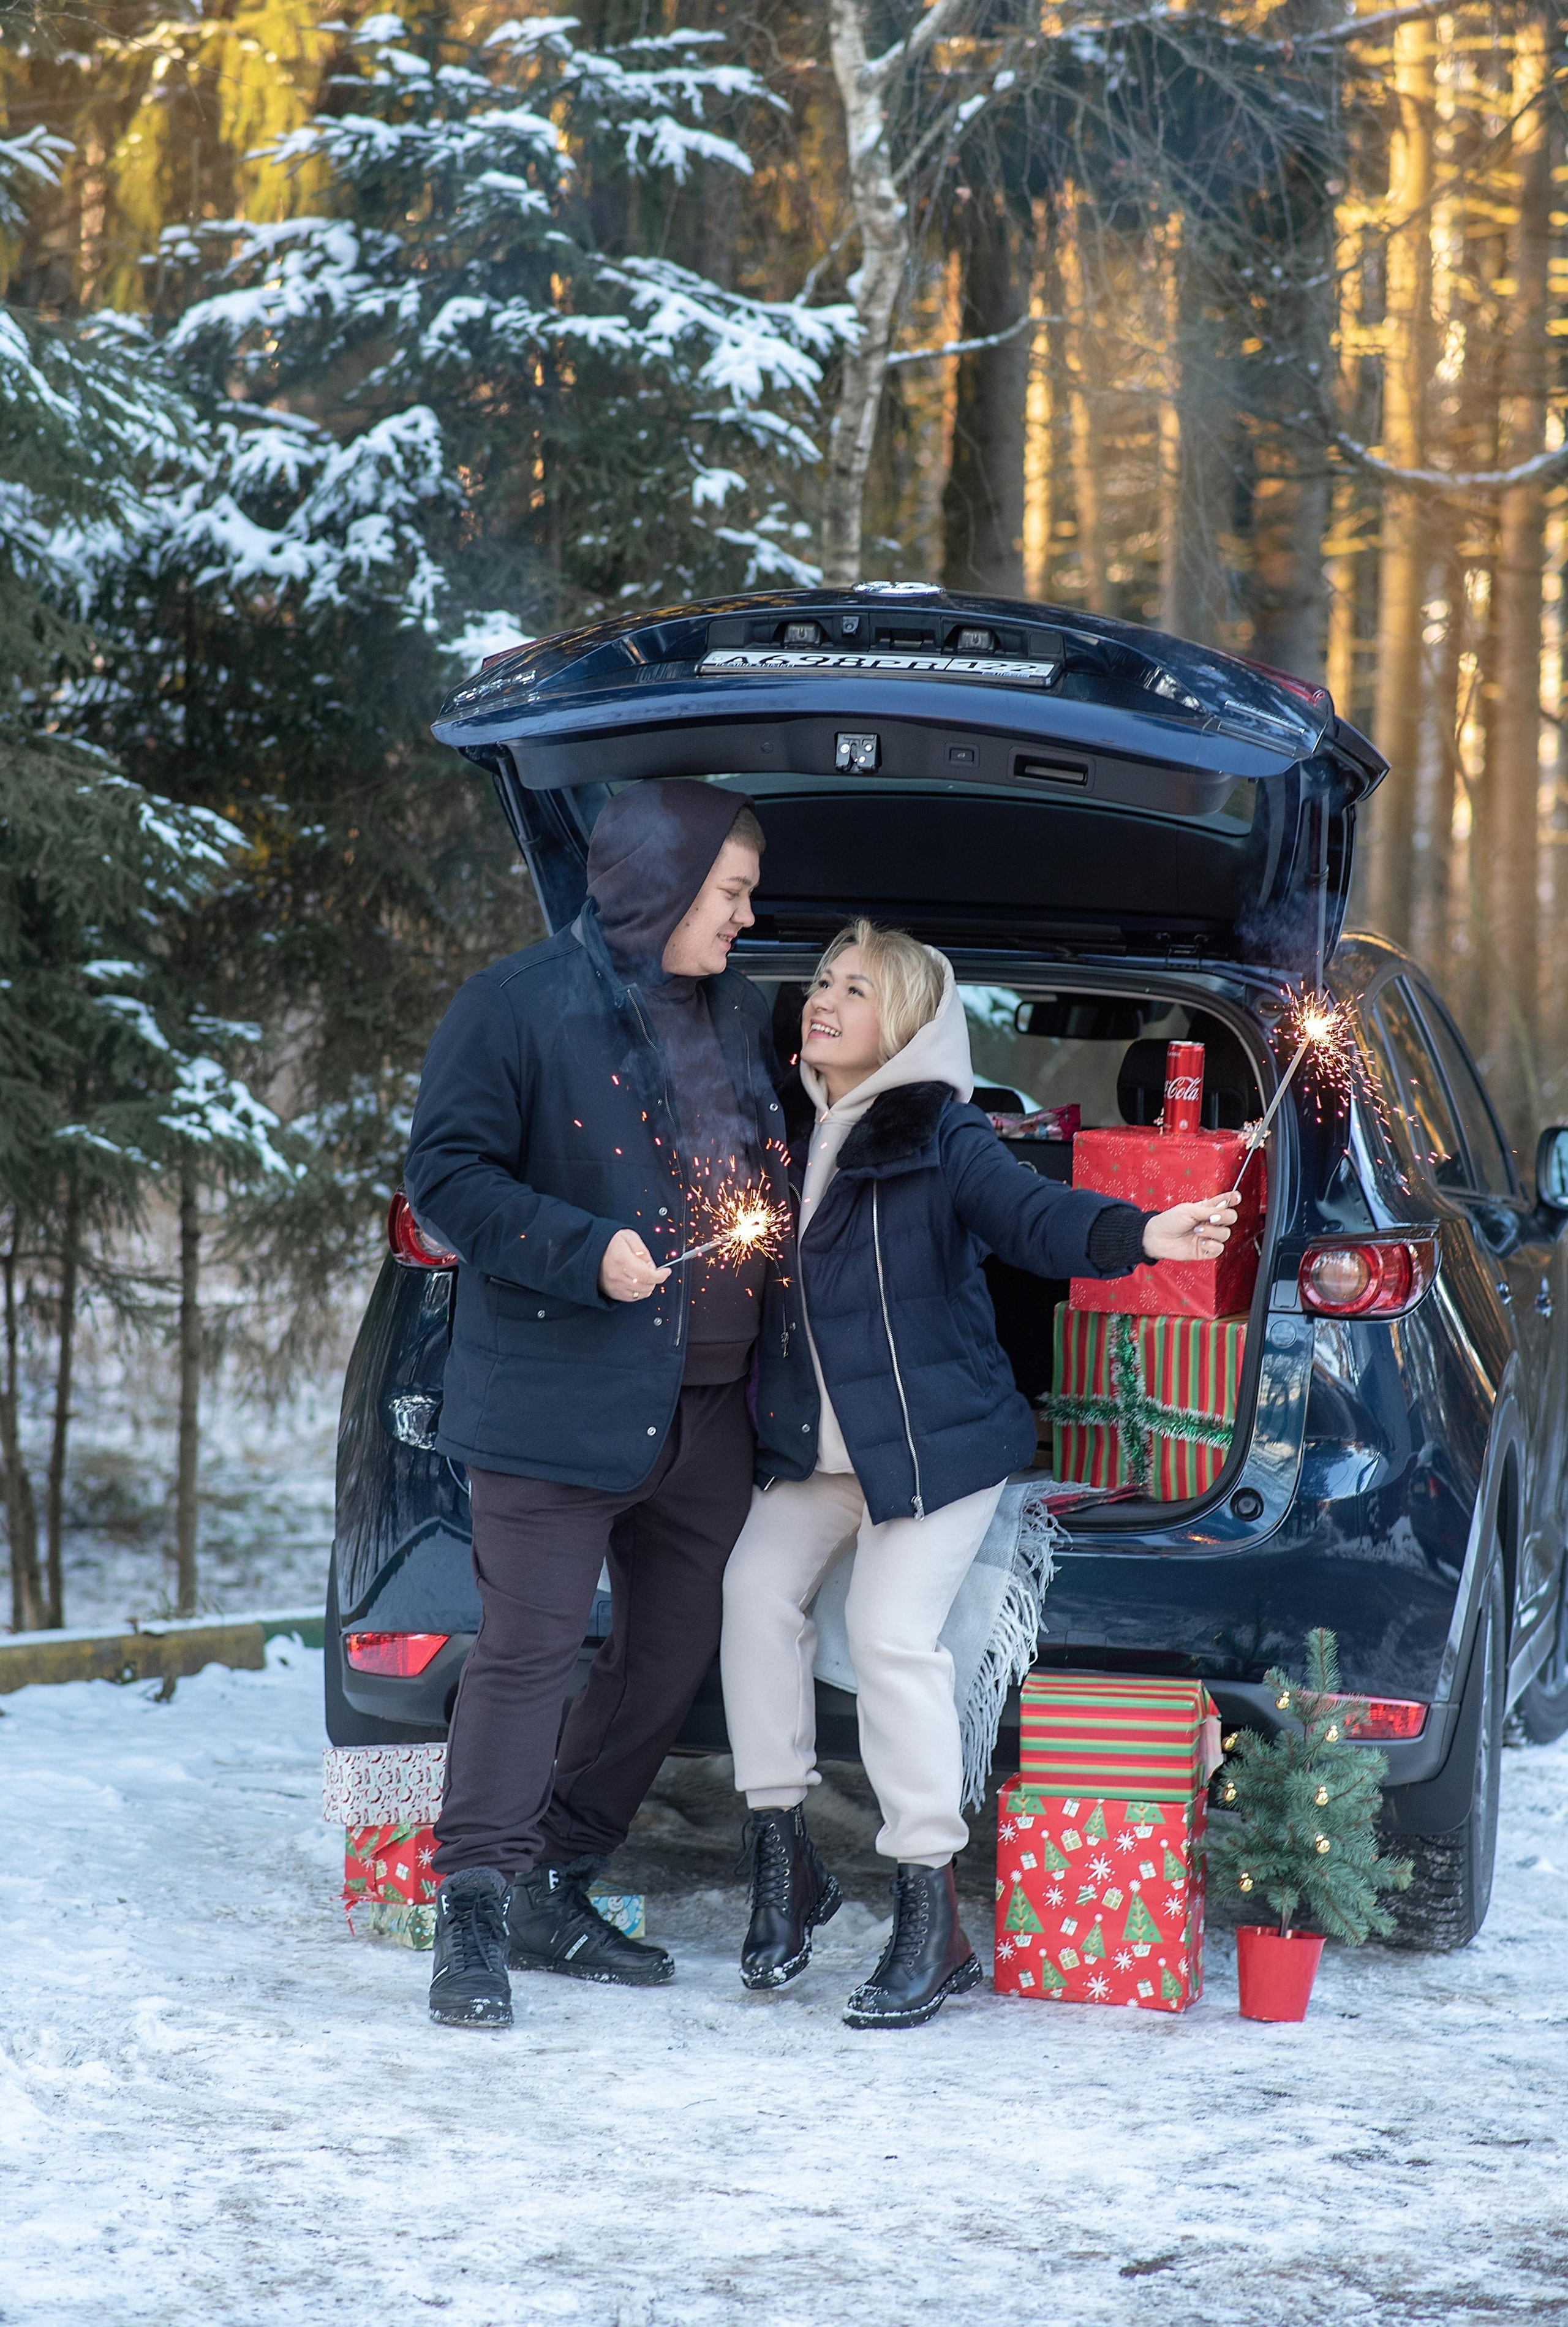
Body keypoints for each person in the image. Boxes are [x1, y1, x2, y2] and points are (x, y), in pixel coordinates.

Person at [723, 921, 1240, 2029]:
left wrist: (1146, 1233)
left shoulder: (942, 1132)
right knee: (752, 1594)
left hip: (937, 1447)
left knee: (891, 1632)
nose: (824, 1000)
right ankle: (784, 1859)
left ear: (909, 1024)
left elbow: (1033, 1216)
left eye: (858, 989)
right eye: (822, 980)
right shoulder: (783, 1131)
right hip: (817, 1454)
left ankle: (931, 1913)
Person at [402, 779, 790, 2028]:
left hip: (710, 1409)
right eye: (731, 893)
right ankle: (473, 1911)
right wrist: (584, 1250)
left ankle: (556, 1878)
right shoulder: (513, 1004)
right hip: (553, 1406)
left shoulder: (739, 1010)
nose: (744, 918)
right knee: (525, 1655)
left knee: (671, 1651)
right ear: (662, 883)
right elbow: (444, 1175)